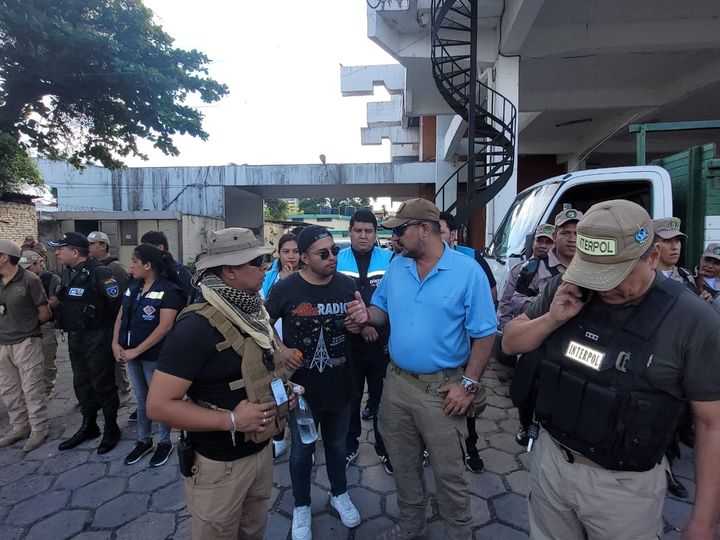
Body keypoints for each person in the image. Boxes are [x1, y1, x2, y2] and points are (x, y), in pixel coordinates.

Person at [503, 200, 720, 540]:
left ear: (652, 256)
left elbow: (711, 424)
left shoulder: (693, 320)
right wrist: (552, 319)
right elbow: (510, 342)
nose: (602, 287)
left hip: (624, 487)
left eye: (615, 274)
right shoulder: (567, 287)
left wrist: (704, 521)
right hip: (551, 462)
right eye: (593, 272)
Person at [346, 198, 497, 540]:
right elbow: (381, 310)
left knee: (450, 475)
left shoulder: (467, 271)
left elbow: (485, 333)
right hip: (396, 384)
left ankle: (458, 533)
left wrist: (468, 384)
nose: (395, 238)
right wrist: (365, 316)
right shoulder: (398, 266)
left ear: (425, 230)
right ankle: (411, 526)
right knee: (403, 465)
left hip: (442, 391)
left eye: (400, 230)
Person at [147, 227, 296, 540]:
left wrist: (283, 395)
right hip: (219, 466)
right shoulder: (195, 327)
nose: (265, 267)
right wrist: (231, 420)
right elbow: (158, 406)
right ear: (229, 271)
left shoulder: (254, 312)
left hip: (260, 451)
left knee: (253, 531)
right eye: (256, 262)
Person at [265, 225, 362, 540]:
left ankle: (339, 493)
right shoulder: (285, 289)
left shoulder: (347, 285)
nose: (332, 257)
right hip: (302, 391)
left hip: (341, 385)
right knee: (302, 450)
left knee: (337, 445)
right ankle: (301, 505)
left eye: (334, 250)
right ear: (304, 258)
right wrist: (281, 349)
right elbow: (263, 323)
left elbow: (359, 325)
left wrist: (359, 324)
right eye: (323, 253)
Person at [112, 244, 185, 467]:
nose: (131, 265)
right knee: (142, 399)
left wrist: (136, 350)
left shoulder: (169, 290)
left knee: (158, 400)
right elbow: (121, 316)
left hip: (154, 355)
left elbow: (164, 327)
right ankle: (144, 440)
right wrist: (115, 343)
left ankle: (164, 441)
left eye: (134, 261)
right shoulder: (133, 286)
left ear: (147, 265)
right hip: (131, 353)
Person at [49, 232, 122, 454]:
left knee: (103, 383)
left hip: (98, 336)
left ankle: (111, 428)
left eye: (60, 248)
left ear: (74, 251)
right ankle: (89, 425)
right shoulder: (68, 273)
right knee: (81, 383)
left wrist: (114, 337)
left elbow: (117, 305)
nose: (57, 253)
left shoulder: (100, 272)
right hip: (76, 336)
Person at [438, 211, 496, 474]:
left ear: (453, 234)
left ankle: (470, 447)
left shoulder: (471, 259)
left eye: (440, 231)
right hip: (438, 350)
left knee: (467, 399)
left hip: (468, 347)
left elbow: (491, 295)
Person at [336, 210, 393, 473]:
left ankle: (385, 447)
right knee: (350, 397)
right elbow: (331, 298)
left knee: (383, 401)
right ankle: (350, 444)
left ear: (375, 233)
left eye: (368, 231)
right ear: (349, 232)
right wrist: (360, 326)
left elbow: (395, 299)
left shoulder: (390, 259)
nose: (363, 236)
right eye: (358, 231)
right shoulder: (337, 260)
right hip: (349, 344)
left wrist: (370, 323)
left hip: (382, 344)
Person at [651, 217, 695, 499]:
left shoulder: (687, 278)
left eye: (677, 240)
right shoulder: (642, 278)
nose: (674, 246)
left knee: (674, 419)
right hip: (650, 359)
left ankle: (668, 466)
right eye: (667, 241)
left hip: (680, 361)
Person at [0, 240, 51, 452]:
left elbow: (45, 312)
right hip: (3, 344)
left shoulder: (29, 280)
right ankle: (20, 427)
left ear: (4, 257)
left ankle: (39, 428)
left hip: (26, 342)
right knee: (9, 389)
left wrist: (27, 328)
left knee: (32, 388)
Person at [260, 232, 300, 459]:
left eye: (295, 251)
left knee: (300, 393)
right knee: (278, 392)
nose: (291, 256)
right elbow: (262, 310)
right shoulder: (269, 277)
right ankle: (278, 437)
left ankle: (303, 438)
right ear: (279, 254)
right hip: (274, 344)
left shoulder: (308, 275)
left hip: (301, 346)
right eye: (286, 251)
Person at [88, 230, 133, 401]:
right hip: (97, 323)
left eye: (92, 244)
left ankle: (123, 391)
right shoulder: (90, 267)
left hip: (113, 321)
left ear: (103, 245)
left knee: (116, 359)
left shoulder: (115, 268)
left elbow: (125, 297)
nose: (89, 247)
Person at [19, 248, 61, 395]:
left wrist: (33, 303)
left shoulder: (51, 278)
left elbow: (54, 301)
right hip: (25, 324)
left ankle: (47, 389)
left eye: (29, 267)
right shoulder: (21, 279)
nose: (26, 271)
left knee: (47, 358)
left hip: (46, 324)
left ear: (39, 263)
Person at [497, 223, 555, 328]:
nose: (542, 246)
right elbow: (506, 304)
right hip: (524, 328)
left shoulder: (561, 270)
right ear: (532, 243)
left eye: (548, 242)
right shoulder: (519, 269)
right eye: (539, 241)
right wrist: (508, 329)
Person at [439, 211, 497, 303]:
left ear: (453, 235)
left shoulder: (472, 256)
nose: (435, 237)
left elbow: (491, 292)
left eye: (440, 232)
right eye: (432, 233)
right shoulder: (424, 261)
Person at [140, 230, 194, 305]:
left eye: (147, 248)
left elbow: (189, 298)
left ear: (160, 247)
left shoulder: (181, 272)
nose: (143, 253)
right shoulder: (148, 272)